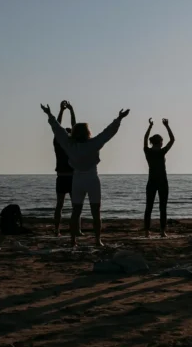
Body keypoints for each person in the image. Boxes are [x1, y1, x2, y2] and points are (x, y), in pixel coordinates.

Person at [41, 104, 129, 247]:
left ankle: (73, 240)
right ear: (88, 132)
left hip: (77, 179)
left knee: (76, 211)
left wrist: (49, 114)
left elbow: (57, 130)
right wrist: (119, 118)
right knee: (96, 211)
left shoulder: (69, 145)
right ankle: (97, 240)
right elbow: (108, 133)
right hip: (92, 178)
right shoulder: (93, 143)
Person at [52, 100, 81, 237]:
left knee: (60, 205)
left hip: (63, 177)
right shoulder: (71, 144)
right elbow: (73, 126)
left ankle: (57, 230)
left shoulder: (59, 143)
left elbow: (57, 127)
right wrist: (70, 110)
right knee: (75, 206)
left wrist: (63, 110)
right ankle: (76, 230)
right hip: (70, 177)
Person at [143, 117, 175, 238]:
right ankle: (162, 231)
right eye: (161, 141)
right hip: (162, 181)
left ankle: (147, 232)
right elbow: (172, 140)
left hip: (152, 181)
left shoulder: (148, 151)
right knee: (163, 207)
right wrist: (167, 126)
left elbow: (145, 139)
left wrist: (150, 126)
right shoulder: (161, 151)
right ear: (160, 142)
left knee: (149, 207)